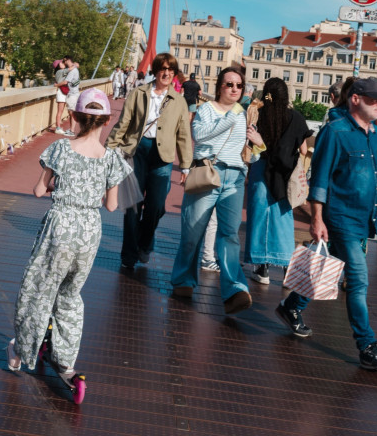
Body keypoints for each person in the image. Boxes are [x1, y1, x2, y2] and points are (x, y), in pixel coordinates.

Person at [275, 77, 377, 371]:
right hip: (341, 215)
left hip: (365, 218)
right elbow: (319, 179)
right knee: (358, 278)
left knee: (327, 267)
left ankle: (292, 306)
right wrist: (317, 218)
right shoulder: (335, 131)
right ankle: (366, 346)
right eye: (375, 99)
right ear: (355, 99)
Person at [7, 88, 126, 388]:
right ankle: (67, 361)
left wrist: (60, 188)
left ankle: (21, 350)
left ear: (74, 116)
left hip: (60, 226)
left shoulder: (60, 149)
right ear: (107, 121)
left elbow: (38, 190)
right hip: (89, 231)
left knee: (38, 290)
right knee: (71, 295)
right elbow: (111, 205)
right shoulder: (111, 158)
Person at [170, 66, 252, 314]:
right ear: (220, 87)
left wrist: (257, 149)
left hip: (234, 177)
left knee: (229, 235)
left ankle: (234, 290)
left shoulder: (242, 114)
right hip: (208, 172)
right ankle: (184, 279)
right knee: (193, 231)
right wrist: (232, 115)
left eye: (239, 85)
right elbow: (201, 135)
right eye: (229, 84)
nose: (235, 89)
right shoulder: (207, 109)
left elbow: (242, 145)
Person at [107, 53, 192, 270]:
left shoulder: (179, 101)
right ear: (155, 70)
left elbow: (183, 134)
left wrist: (185, 165)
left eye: (171, 70)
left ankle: (144, 244)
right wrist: (109, 149)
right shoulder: (138, 93)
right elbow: (123, 122)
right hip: (138, 151)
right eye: (163, 69)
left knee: (155, 208)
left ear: (174, 74)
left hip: (162, 156)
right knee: (133, 206)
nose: (166, 73)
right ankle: (128, 255)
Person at [245, 78, 311, 285]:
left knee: (259, 218)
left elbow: (252, 146)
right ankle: (286, 270)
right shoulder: (297, 118)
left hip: (262, 171)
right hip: (284, 175)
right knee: (283, 221)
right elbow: (302, 150)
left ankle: (262, 268)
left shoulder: (260, 115)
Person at [53, 59, 70, 133]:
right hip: (61, 93)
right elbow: (65, 82)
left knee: (62, 111)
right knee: (60, 111)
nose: (63, 63)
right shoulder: (60, 71)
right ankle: (58, 128)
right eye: (61, 63)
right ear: (58, 66)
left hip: (64, 92)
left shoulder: (62, 71)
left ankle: (59, 127)